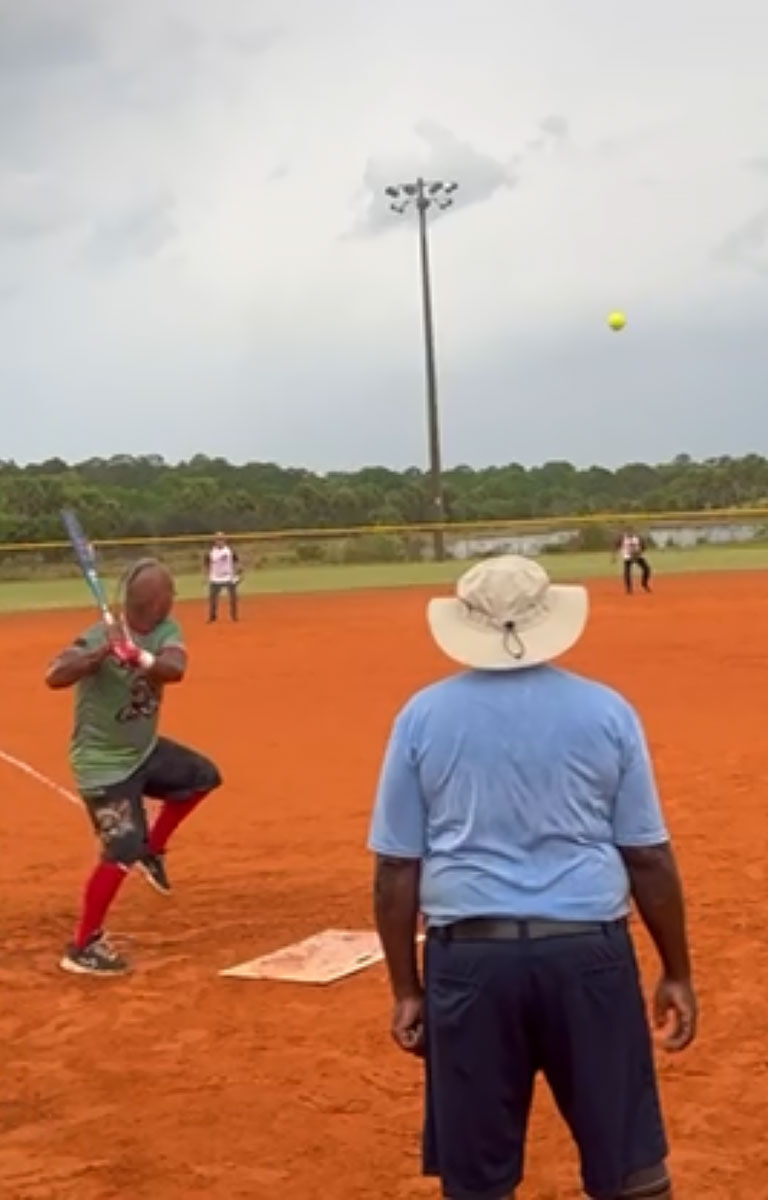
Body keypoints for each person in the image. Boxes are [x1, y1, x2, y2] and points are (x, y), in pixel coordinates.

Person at [368, 554, 696, 1200]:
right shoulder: (606, 711)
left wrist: (407, 989)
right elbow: (648, 857)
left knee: (478, 1179)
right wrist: (677, 971)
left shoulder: (422, 717)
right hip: (589, 956)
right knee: (630, 1164)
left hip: (471, 962)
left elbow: (395, 868)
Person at [45, 559, 222, 976]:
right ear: (156, 601)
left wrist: (137, 656)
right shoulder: (96, 636)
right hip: (104, 767)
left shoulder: (165, 631)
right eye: (170, 594)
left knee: (202, 777)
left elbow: (175, 669)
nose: (174, 600)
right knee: (121, 849)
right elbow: (54, 675)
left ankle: (153, 849)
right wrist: (99, 655)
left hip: (143, 751)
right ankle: (83, 946)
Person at [205, 532, 241, 622]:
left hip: (229, 577)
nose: (219, 541)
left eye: (221, 539)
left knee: (233, 598)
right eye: (217, 539)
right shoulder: (210, 552)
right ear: (214, 541)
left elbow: (236, 562)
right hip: (215, 578)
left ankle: (233, 616)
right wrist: (207, 575)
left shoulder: (230, 551)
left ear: (225, 540)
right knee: (213, 599)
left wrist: (237, 574)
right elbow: (207, 564)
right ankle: (212, 616)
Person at [614, 527, 652, 594]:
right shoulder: (623, 538)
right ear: (626, 532)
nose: (630, 533)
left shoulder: (637, 538)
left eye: (631, 531)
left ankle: (644, 583)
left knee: (647, 569)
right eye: (628, 532)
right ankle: (629, 588)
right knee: (627, 572)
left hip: (637, 556)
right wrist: (614, 556)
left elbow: (644, 546)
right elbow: (616, 545)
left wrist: (639, 551)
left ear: (633, 532)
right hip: (627, 557)